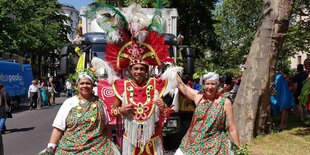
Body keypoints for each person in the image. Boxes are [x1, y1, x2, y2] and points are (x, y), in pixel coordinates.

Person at [42, 72, 120, 154]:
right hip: (69, 148)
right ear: (77, 86)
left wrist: (111, 143)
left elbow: (106, 126)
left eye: (88, 83)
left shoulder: (100, 103)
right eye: (82, 83)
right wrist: (51, 146)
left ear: (92, 86)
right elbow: (58, 128)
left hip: (98, 147)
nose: (85, 86)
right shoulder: (69, 103)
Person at [174, 72, 240, 154]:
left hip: (214, 146)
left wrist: (238, 148)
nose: (210, 87)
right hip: (192, 142)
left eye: (213, 84)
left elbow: (232, 128)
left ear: (217, 85)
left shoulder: (225, 102)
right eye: (207, 84)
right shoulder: (198, 97)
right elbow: (181, 85)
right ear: (203, 85)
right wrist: (172, 70)